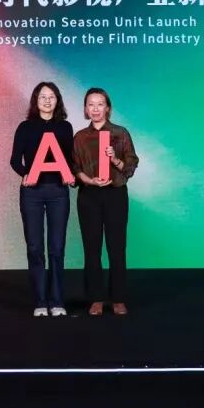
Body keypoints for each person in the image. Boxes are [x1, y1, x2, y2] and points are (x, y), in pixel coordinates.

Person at [10, 82, 76, 317]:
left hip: (58, 192)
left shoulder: (65, 127)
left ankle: (57, 301)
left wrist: (71, 175)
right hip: (32, 193)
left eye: (52, 97)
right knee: (35, 247)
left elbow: (70, 159)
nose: (47, 101)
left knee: (57, 248)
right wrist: (25, 174)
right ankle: (40, 301)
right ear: (35, 101)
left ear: (57, 101)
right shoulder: (25, 127)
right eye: (42, 97)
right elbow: (15, 160)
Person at [72, 87, 139, 316]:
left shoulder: (120, 133)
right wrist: (88, 180)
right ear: (85, 109)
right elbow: (74, 167)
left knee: (117, 248)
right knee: (92, 249)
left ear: (107, 108)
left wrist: (115, 159)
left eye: (100, 104)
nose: (95, 109)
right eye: (90, 104)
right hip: (89, 196)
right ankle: (96, 298)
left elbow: (131, 164)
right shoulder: (80, 137)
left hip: (115, 195)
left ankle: (118, 298)